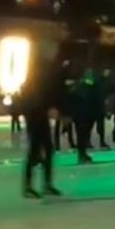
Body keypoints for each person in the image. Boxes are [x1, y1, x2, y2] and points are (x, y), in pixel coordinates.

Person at [19, 38, 67, 200]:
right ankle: (29, 186)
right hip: (35, 113)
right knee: (36, 149)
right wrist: (51, 106)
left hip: (39, 112)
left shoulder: (44, 68)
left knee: (47, 148)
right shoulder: (40, 69)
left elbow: (50, 91)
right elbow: (42, 92)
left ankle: (45, 184)